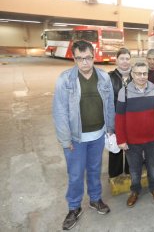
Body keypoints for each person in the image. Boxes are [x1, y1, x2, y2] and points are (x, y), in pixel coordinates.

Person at [53, 40, 114, 230]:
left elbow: (110, 104)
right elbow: (59, 111)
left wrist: (110, 129)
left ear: (94, 56)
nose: (85, 63)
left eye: (88, 58)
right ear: (74, 58)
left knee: (95, 170)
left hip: (97, 135)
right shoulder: (65, 79)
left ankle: (95, 199)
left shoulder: (104, 77)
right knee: (76, 174)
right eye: (79, 59)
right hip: (76, 138)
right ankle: (74, 207)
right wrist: (65, 139)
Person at [115, 62, 154, 207]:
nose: (142, 76)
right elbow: (119, 118)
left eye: (144, 73)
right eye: (138, 73)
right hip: (132, 141)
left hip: (153, 139)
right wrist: (121, 139)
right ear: (132, 74)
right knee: (134, 169)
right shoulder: (124, 92)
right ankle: (135, 191)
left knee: (153, 167)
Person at [108, 48, 132, 180]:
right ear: (116, 60)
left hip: (132, 119)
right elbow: (106, 102)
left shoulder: (135, 76)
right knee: (116, 148)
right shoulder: (109, 77)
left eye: (127, 58)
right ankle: (115, 175)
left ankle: (130, 171)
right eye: (122, 58)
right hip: (116, 119)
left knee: (131, 147)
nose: (125, 61)